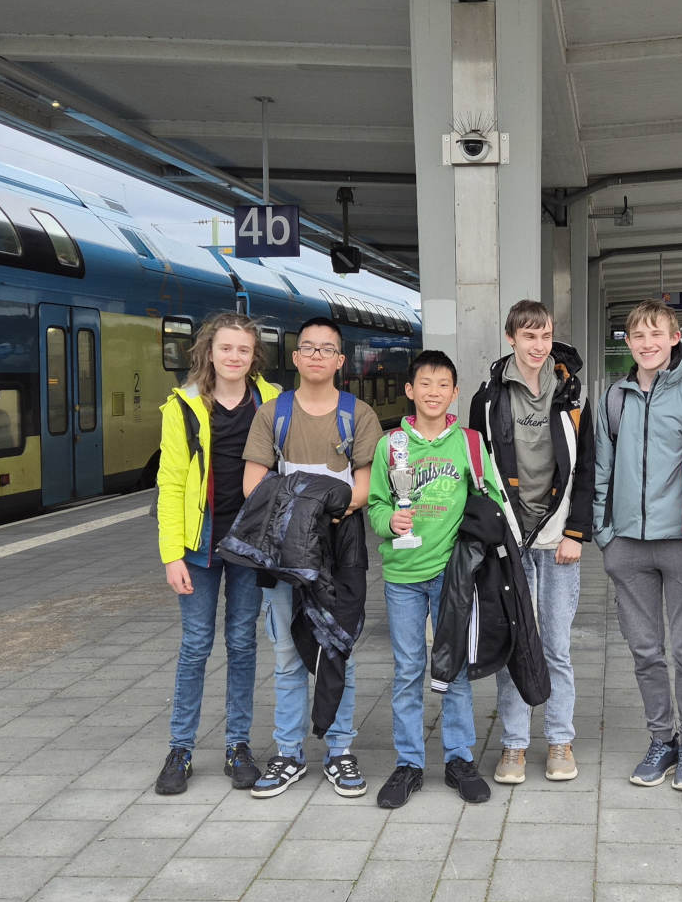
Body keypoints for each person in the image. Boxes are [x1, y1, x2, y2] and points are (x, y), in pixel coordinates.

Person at [241, 315, 382, 798]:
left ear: (341, 361)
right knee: (285, 655)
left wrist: (308, 501)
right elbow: (252, 484)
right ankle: (288, 754)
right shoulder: (273, 413)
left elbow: (364, 488)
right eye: (309, 348)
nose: (318, 355)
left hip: (340, 549)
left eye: (328, 349)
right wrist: (318, 498)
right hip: (283, 552)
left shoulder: (357, 414)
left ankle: (340, 751)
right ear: (296, 357)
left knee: (337, 646)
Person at [366, 350, 504, 808]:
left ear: (454, 392)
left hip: (453, 576)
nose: (433, 392)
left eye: (442, 384)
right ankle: (408, 764)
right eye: (424, 384)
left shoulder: (467, 442)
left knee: (455, 668)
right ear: (409, 391)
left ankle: (459, 759)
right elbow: (377, 505)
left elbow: (489, 499)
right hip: (402, 576)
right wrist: (391, 524)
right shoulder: (391, 446)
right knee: (408, 670)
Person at [153, 312, 282, 796]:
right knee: (195, 645)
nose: (234, 357)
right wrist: (171, 555)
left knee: (244, 644)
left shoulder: (272, 402)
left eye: (243, 350)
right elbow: (169, 485)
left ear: (254, 357)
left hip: (250, 542)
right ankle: (181, 748)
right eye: (226, 348)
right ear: (208, 351)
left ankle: (238, 745)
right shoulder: (182, 408)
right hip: (199, 543)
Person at [470, 300, 595, 784]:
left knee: (556, 647)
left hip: (557, 537)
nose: (538, 346)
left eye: (544, 336)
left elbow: (585, 468)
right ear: (511, 339)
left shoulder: (569, 393)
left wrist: (576, 532)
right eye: (528, 337)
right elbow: (478, 469)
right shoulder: (488, 397)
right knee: (514, 642)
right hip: (510, 538)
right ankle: (514, 746)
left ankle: (560, 740)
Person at [594, 300, 682, 791]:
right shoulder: (612, 397)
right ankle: (661, 740)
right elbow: (601, 467)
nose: (647, 343)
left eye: (656, 334)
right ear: (628, 342)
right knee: (645, 651)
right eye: (638, 335)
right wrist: (606, 535)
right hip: (628, 545)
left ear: (674, 337)